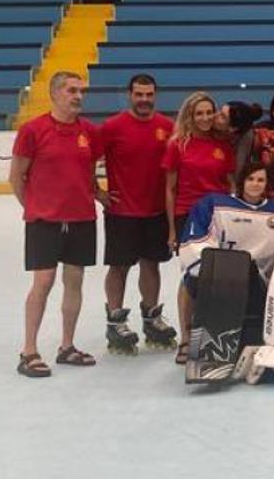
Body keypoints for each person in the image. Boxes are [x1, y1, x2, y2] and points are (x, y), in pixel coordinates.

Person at [10, 71, 104, 377]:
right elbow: (16, 177)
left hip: (82, 218)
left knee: (74, 282)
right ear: (54, 94)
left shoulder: (88, 131)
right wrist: (35, 207)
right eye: (71, 90)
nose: (78, 96)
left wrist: (99, 195)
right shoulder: (32, 130)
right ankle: (29, 351)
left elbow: (88, 173)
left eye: (81, 91)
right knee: (44, 282)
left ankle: (67, 346)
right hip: (44, 222)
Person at [177, 162, 274, 356]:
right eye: (250, 179)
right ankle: (187, 339)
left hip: (258, 278)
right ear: (241, 181)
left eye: (260, 180)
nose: (255, 184)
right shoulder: (213, 204)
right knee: (188, 280)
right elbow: (194, 241)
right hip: (220, 276)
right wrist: (216, 269)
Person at [98, 73, 177, 356]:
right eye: (139, 94)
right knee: (119, 267)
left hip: (155, 211)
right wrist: (99, 193)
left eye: (149, 95)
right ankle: (115, 320)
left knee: (151, 264)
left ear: (155, 95)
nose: (144, 100)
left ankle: (152, 318)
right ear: (130, 95)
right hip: (122, 212)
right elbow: (83, 161)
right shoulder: (112, 126)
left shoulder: (168, 127)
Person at [162, 91, 236, 363]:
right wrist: (172, 229)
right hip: (187, 216)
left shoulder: (223, 145)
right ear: (189, 116)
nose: (204, 118)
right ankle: (185, 337)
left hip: (217, 216)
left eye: (208, 112)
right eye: (199, 113)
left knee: (215, 278)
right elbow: (169, 189)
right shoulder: (177, 144)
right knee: (190, 277)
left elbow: (230, 184)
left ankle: (211, 335)